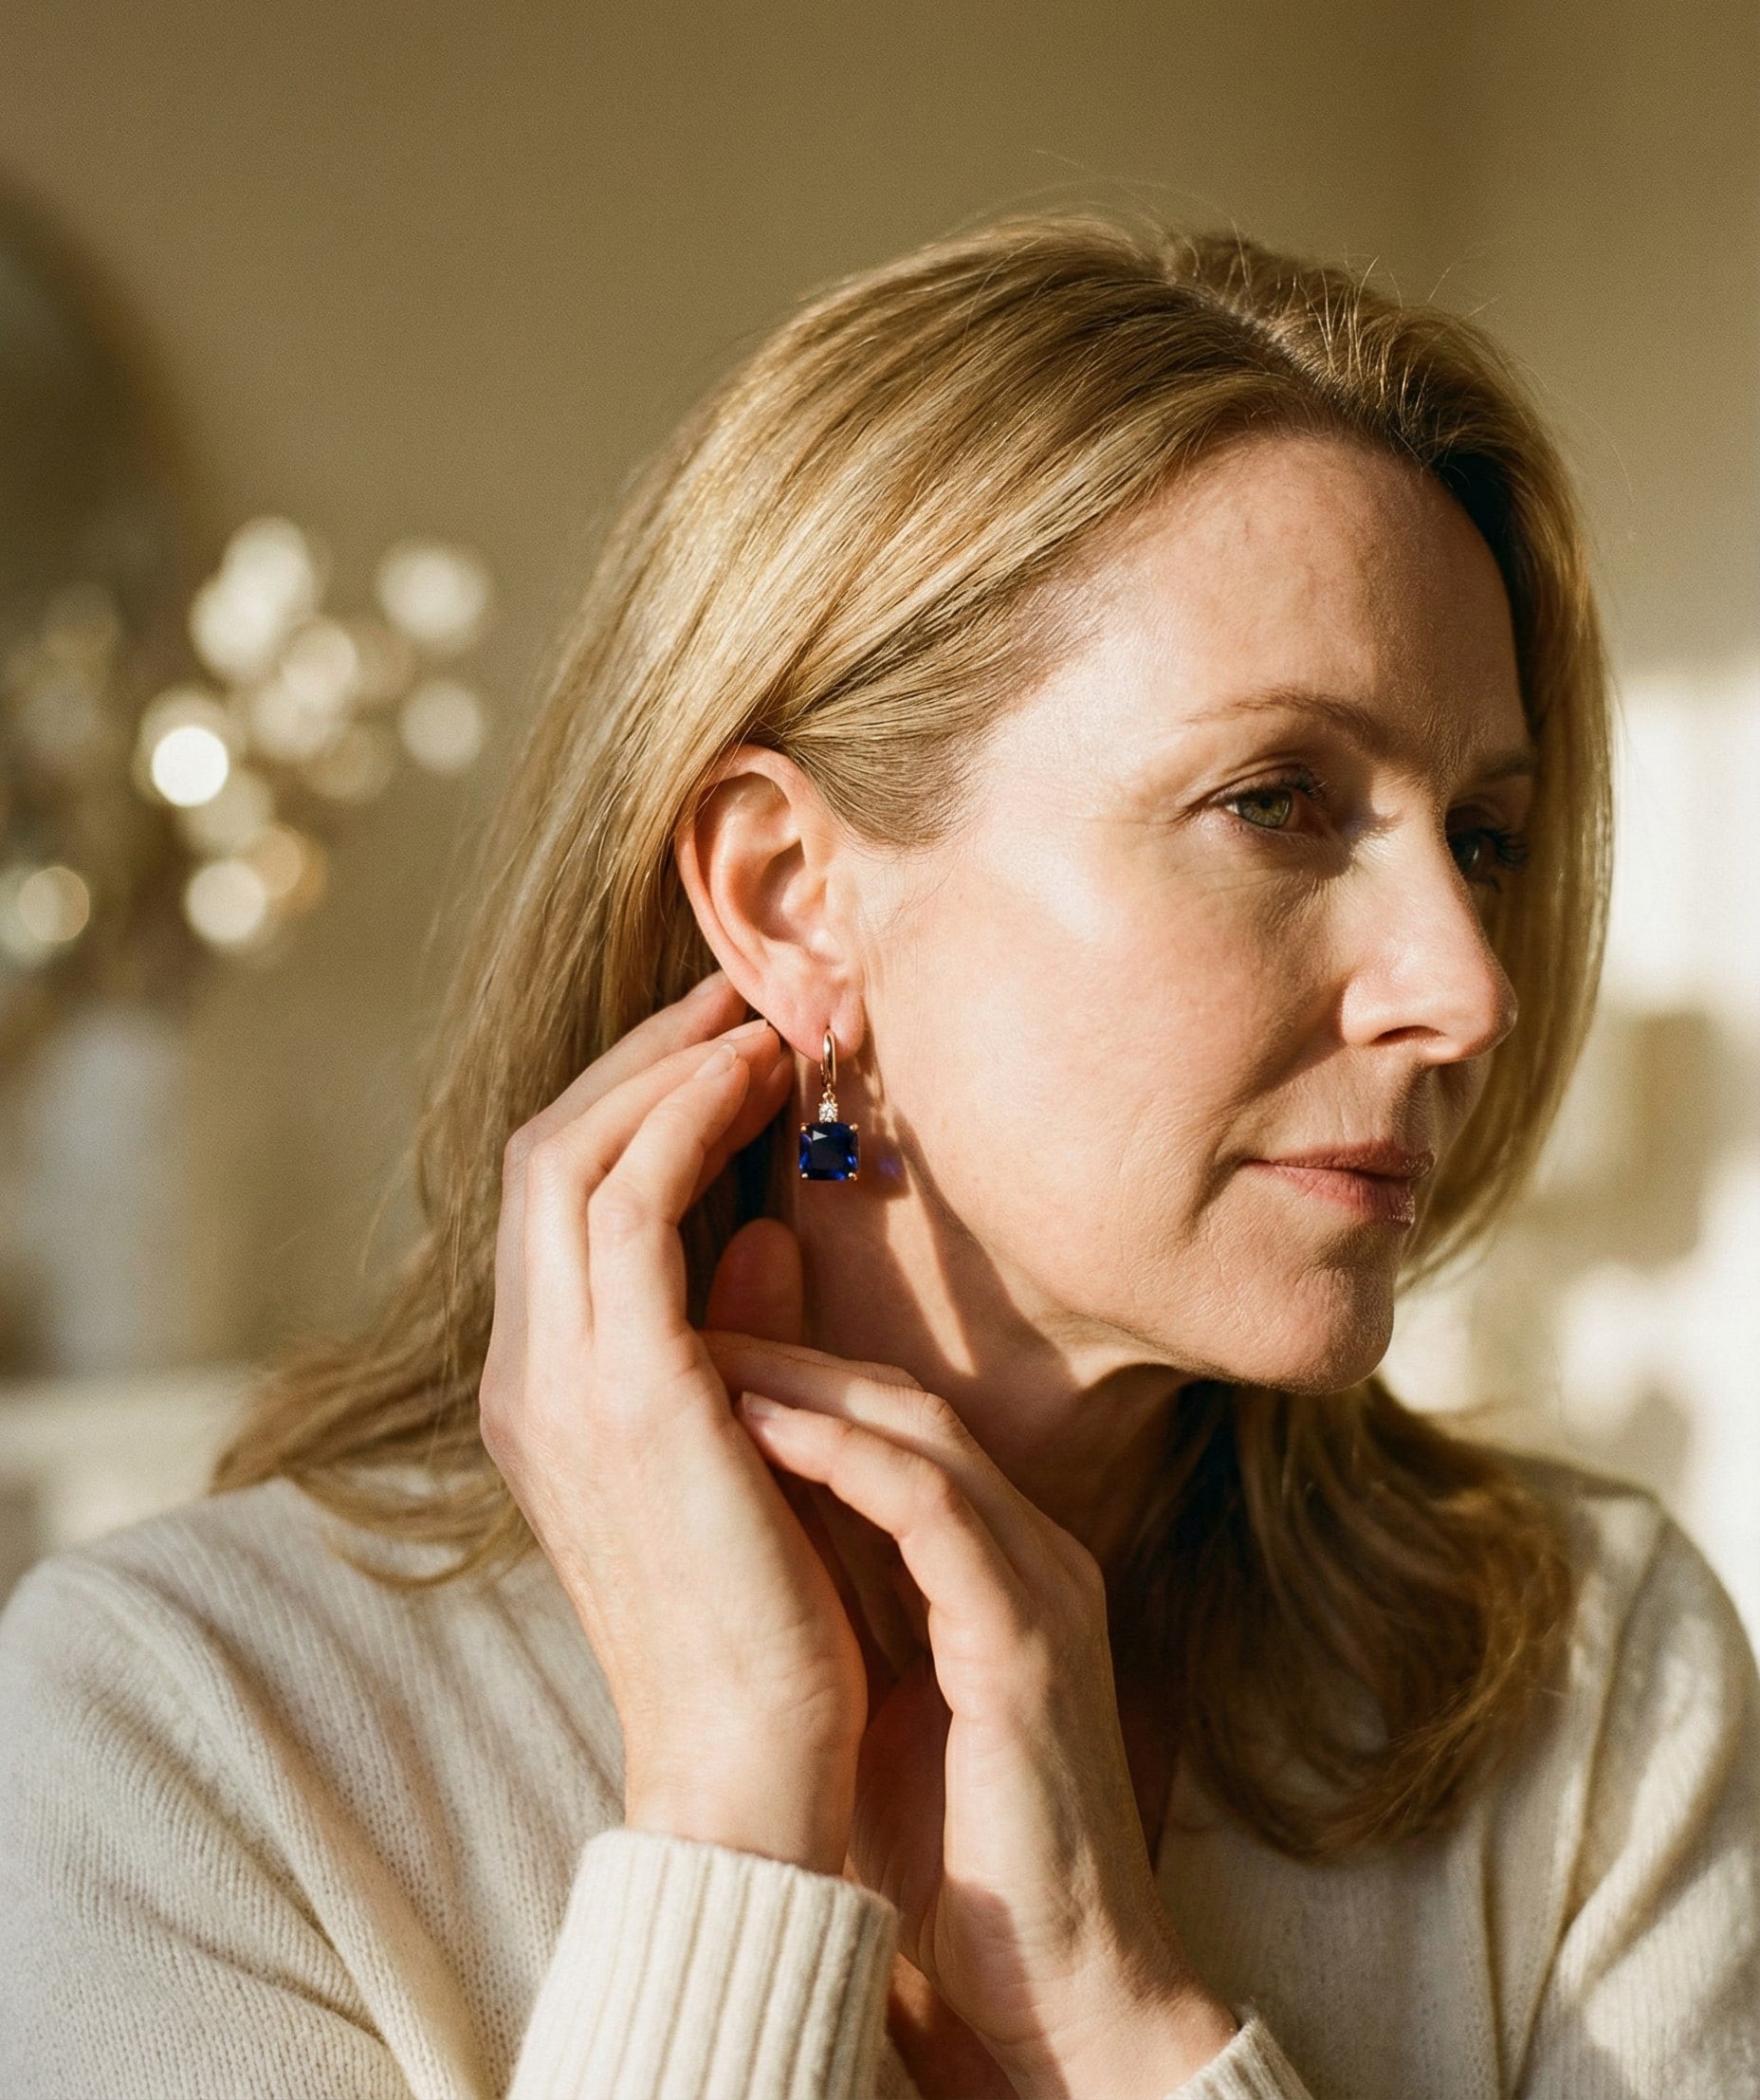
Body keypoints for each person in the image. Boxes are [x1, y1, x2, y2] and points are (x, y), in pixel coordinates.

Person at [2, 216, 1756, 2100]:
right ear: (788, 896)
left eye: (1482, 836)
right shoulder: (185, 1731)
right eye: (1274, 802)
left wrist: (1124, 2013)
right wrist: (730, 1807)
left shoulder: (1580, 1676)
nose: (1464, 989)